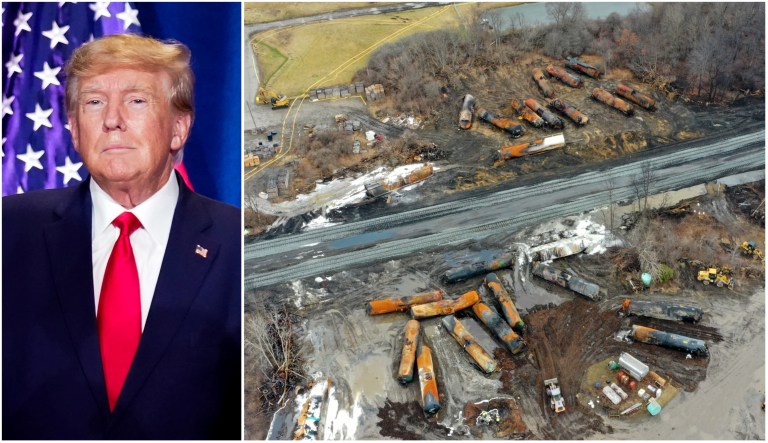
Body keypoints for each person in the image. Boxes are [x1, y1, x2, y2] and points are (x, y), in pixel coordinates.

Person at [2, 34, 241, 439]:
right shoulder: (9, 232)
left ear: (178, 129)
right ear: (75, 131)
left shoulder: (239, 241)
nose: (113, 119)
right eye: (94, 102)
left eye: (136, 100)